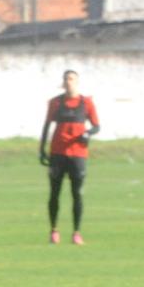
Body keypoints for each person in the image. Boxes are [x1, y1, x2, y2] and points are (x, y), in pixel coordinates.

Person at [39, 68, 100, 245]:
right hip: (57, 153)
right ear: (63, 82)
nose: (69, 81)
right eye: (66, 79)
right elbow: (46, 126)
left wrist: (88, 133)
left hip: (78, 154)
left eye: (72, 78)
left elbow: (97, 126)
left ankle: (76, 232)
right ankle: (54, 230)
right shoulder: (56, 103)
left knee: (76, 194)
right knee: (54, 193)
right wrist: (42, 150)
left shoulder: (86, 103)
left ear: (77, 81)